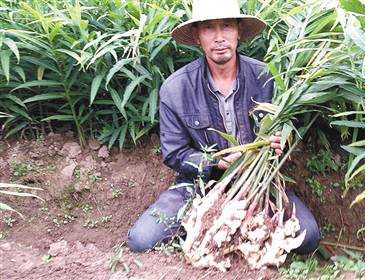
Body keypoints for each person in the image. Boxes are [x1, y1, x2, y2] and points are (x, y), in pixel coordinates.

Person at [127, 0, 320, 255]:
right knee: (142, 239)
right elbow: (174, 154)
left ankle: (235, 223)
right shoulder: (176, 89)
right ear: (197, 36)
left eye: (227, 26)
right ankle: (206, 222)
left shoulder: (267, 78)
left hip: (259, 181)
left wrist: (279, 142)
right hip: (200, 184)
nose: (219, 38)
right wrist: (216, 162)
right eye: (208, 28)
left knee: (308, 237)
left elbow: (287, 131)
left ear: (238, 31)